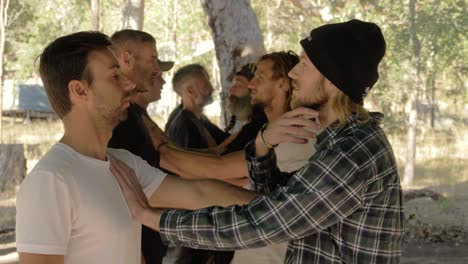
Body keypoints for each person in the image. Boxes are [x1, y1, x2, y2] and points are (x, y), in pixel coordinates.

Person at [111, 19, 405, 263]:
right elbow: (281, 197)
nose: (293, 73)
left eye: (304, 64)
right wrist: (263, 148)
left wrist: (153, 218)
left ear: (331, 78)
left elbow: (268, 221)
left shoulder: (349, 152)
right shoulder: (337, 139)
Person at [15, 31, 258, 264]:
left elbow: (198, 193)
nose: (129, 85)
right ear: (80, 90)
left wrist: (277, 207)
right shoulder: (51, 180)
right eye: (115, 77)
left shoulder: (122, 163)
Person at [107, 29, 173, 264]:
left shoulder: (132, 115)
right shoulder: (116, 120)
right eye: (153, 59)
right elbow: (113, 195)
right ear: (126, 58)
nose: (158, 71)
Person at [166, 64, 229, 149]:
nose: (212, 89)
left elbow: (226, 140)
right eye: (206, 84)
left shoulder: (200, 119)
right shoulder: (183, 126)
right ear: (190, 91)